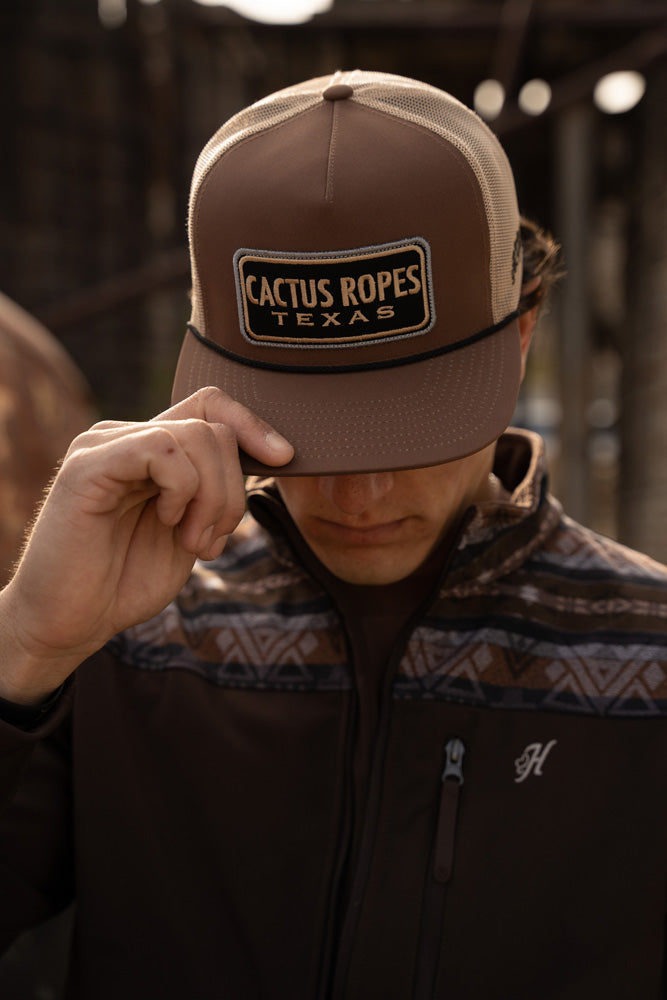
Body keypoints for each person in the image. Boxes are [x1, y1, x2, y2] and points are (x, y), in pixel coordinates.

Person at [0, 70, 665, 1000]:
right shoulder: (126, 633)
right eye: (304, 434)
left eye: (414, 427)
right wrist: (25, 647)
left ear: (520, 336)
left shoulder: (648, 659)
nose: (361, 493)